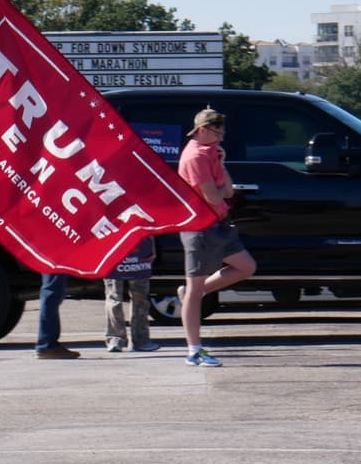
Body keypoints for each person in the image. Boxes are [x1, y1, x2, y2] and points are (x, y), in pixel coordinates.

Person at [176, 107, 256, 367]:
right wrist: (221, 187)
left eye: (223, 133)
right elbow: (213, 196)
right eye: (217, 133)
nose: (221, 138)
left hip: (220, 223)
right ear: (202, 130)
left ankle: (190, 294)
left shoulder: (211, 154)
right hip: (199, 228)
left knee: (246, 266)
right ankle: (194, 350)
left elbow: (228, 191)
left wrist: (221, 165)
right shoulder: (195, 157)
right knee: (196, 288)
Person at [103, 236, 159, 353]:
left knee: (140, 297)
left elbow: (151, 221)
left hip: (140, 246)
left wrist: (152, 246)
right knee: (114, 297)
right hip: (113, 247)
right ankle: (116, 339)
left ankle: (141, 340)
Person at [35, 273, 80, 359]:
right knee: (52, 292)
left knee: (51, 292)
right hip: (56, 259)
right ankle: (47, 345)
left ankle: (47, 344)